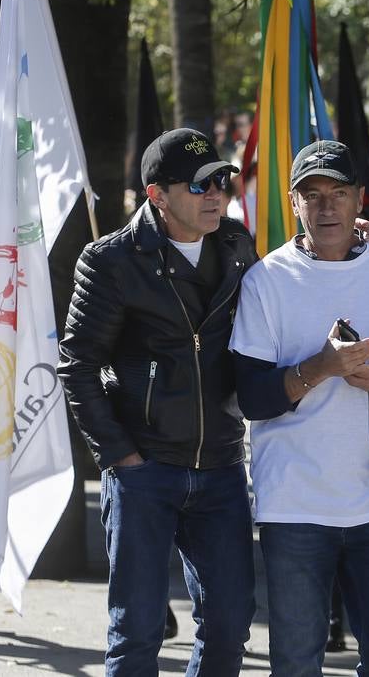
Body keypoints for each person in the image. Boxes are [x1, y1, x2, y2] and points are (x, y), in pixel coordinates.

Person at [230, 139, 369, 677]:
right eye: (311, 194)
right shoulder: (267, 279)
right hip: (294, 507)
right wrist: (321, 368)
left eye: (338, 192)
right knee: (296, 663)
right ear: (293, 202)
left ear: (360, 200)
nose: (325, 206)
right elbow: (252, 398)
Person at [58, 128, 257, 677]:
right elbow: (75, 366)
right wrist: (120, 457)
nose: (215, 192)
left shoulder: (239, 247)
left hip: (220, 467)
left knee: (230, 623)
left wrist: (353, 245)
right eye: (199, 185)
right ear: (157, 196)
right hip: (144, 470)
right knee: (137, 633)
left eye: (221, 180)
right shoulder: (111, 260)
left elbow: (289, 298)